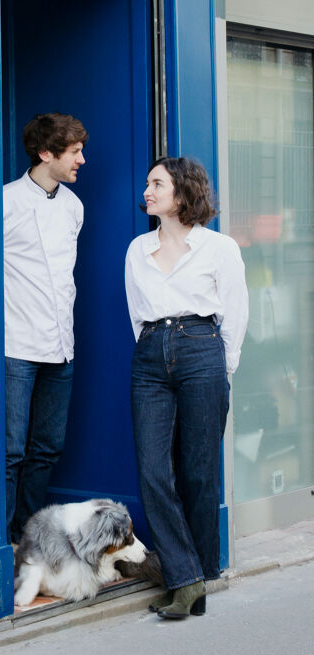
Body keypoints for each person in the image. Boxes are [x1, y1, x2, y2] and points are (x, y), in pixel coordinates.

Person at [124, 157, 248, 619]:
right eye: (148, 182)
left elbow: (235, 311)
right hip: (151, 355)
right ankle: (186, 576)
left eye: (157, 183)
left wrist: (222, 368)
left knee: (198, 471)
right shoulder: (138, 249)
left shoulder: (218, 248)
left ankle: (197, 579)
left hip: (202, 349)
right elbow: (136, 312)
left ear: (182, 192)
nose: (148, 190)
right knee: (153, 471)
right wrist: (154, 348)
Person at [0, 112, 88, 544]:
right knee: (10, 450)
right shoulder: (1, 203)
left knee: (47, 447)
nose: (82, 160)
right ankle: (1, 540)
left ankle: (28, 536)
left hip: (61, 346)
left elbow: (65, 279)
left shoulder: (74, 207)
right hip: (14, 344)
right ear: (46, 153)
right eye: (75, 152)